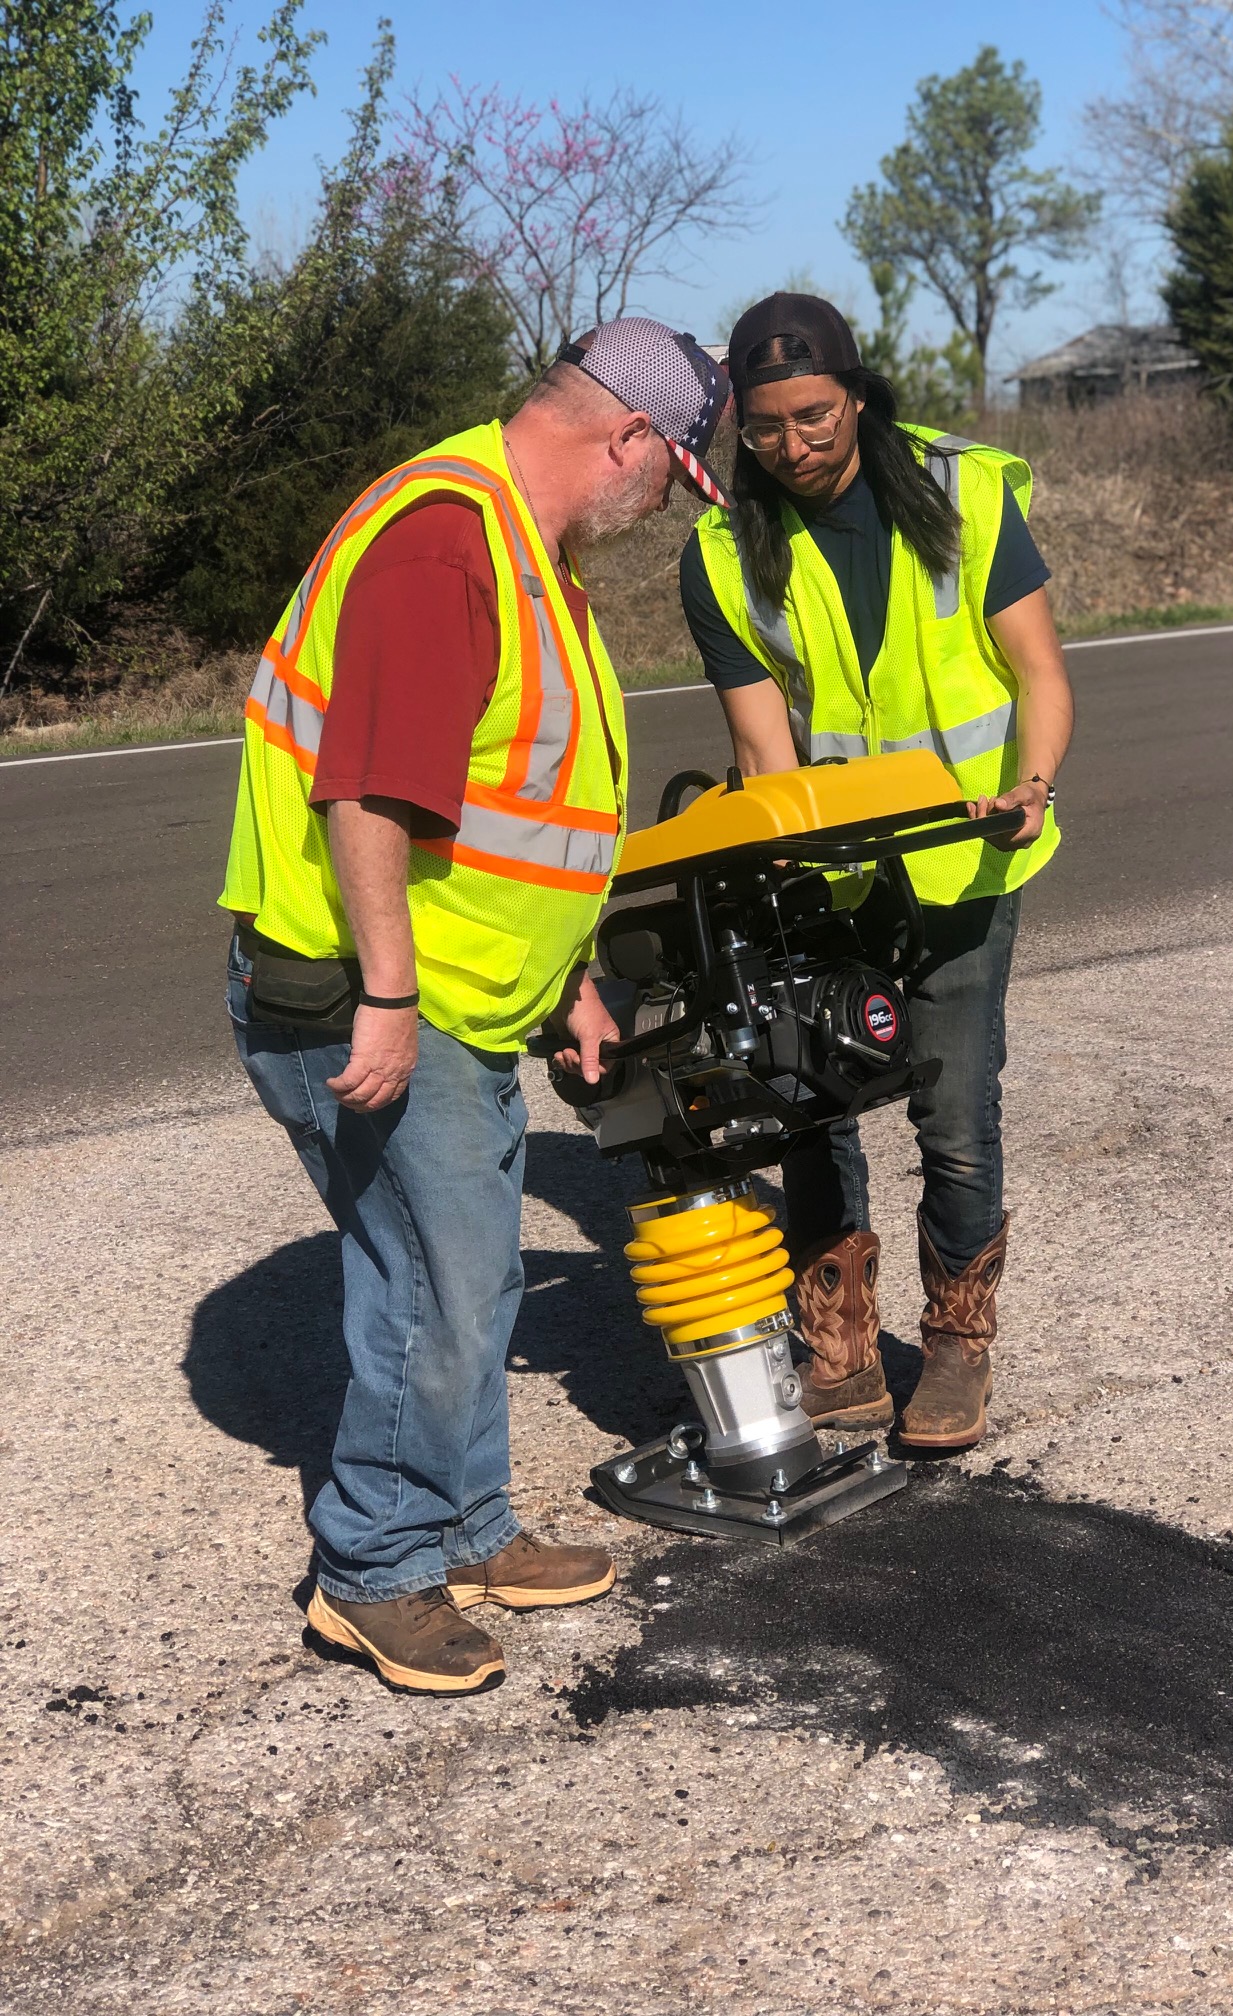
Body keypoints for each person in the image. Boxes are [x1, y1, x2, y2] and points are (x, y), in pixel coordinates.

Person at [221, 319, 730, 1695]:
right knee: (431, 1284)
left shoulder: (519, 545)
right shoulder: (447, 539)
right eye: (674, 476)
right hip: (371, 990)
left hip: (465, 988)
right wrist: (386, 994)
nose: (664, 506)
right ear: (628, 438)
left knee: (476, 1266)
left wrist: (562, 977)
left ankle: (468, 1524)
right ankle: (377, 1569)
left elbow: (512, 801)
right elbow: (370, 796)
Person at [679, 293, 1073, 1454]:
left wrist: (1033, 785)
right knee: (810, 1095)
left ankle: (956, 1340)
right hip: (832, 872)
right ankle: (840, 1340)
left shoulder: (969, 497)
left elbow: (1040, 671)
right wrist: (771, 859)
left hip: (972, 849)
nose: (792, 448)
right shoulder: (719, 554)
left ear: (857, 393)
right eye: (762, 429)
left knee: (953, 1102)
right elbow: (763, 745)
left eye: (813, 417)